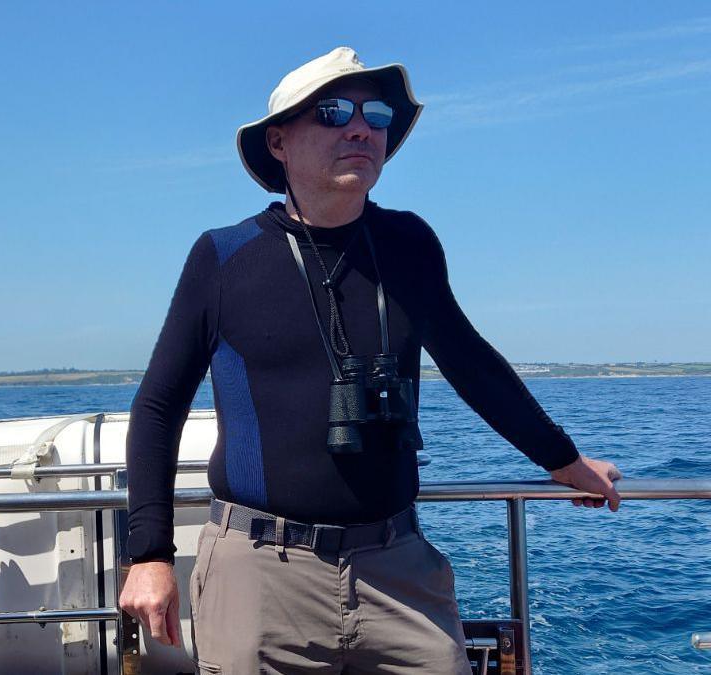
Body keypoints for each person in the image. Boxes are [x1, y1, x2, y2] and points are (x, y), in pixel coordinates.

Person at [118, 47, 623, 674]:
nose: (360, 127)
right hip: (259, 574)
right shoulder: (225, 257)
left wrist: (562, 458)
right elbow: (159, 405)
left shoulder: (408, 243)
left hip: (397, 566)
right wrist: (150, 553)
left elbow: (469, 362)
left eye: (375, 113)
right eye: (332, 112)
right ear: (278, 142)